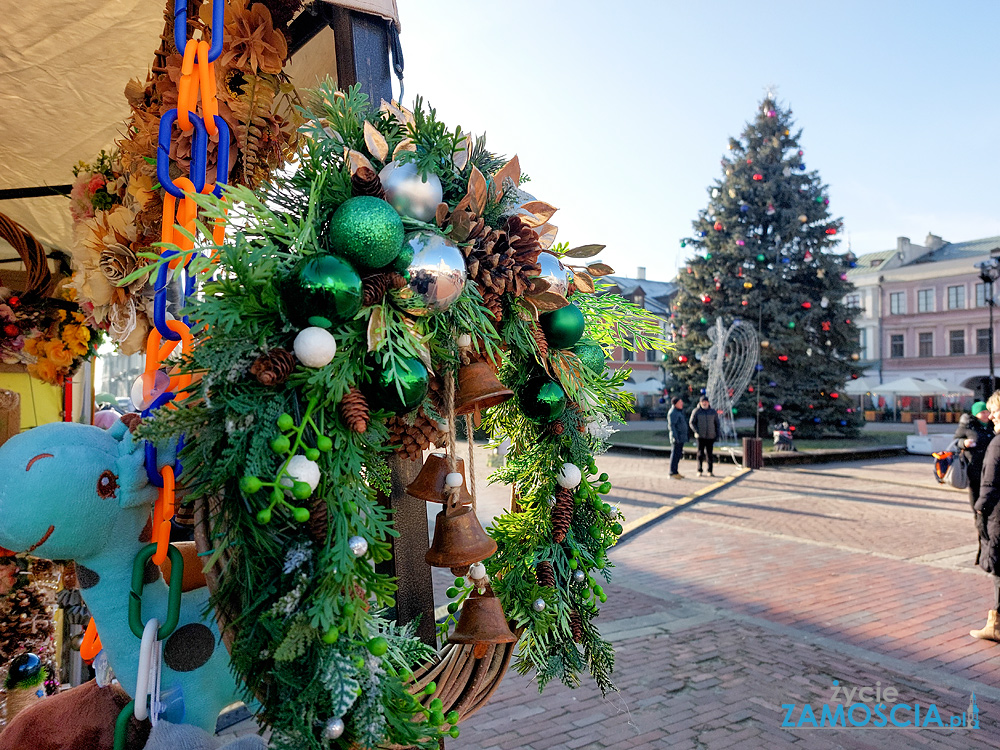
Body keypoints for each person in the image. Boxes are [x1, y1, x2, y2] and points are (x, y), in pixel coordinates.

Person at [970, 392, 1000, 641]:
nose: (991, 416)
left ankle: (996, 625)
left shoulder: (998, 442)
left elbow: (989, 481)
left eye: (996, 411)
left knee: (998, 566)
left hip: (998, 515)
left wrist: (979, 508)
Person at [954, 401, 995, 517]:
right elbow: (956, 441)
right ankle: (977, 514)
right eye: (983, 412)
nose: (986, 415)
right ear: (976, 414)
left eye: (988, 412)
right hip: (974, 464)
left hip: (991, 464)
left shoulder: (994, 424)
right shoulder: (968, 426)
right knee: (975, 490)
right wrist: (964, 443)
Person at [689, 395, 720, 477]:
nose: (704, 403)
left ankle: (710, 471)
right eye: (703, 402)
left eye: (706, 402)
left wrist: (717, 434)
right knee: (700, 454)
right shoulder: (696, 411)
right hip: (700, 437)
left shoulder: (713, 412)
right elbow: (691, 422)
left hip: (710, 436)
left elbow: (717, 424)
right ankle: (699, 470)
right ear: (700, 403)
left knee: (710, 454)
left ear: (708, 403)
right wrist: (697, 431)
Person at [668, 397, 688, 479]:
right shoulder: (673, 412)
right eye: (680, 402)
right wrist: (675, 437)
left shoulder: (678, 411)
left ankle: (675, 471)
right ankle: (672, 472)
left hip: (680, 437)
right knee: (675, 455)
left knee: (678, 455)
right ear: (675, 403)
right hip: (677, 438)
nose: (682, 404)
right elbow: (672, 426)